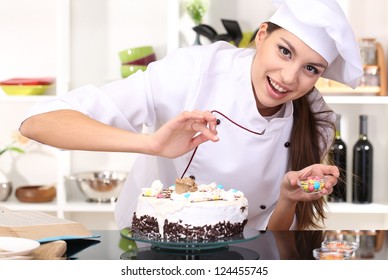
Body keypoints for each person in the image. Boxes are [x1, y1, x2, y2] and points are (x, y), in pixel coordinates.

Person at [19, 0, 363, 231]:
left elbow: (277, 243)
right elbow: (39, 122)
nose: (289, 78)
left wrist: (289, 197)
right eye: (284, 51)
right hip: (148, 249)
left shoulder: (317, 119)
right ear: (261, 36)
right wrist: (152, 144)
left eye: (310, 68)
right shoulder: (195, 71)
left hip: (247, 259)